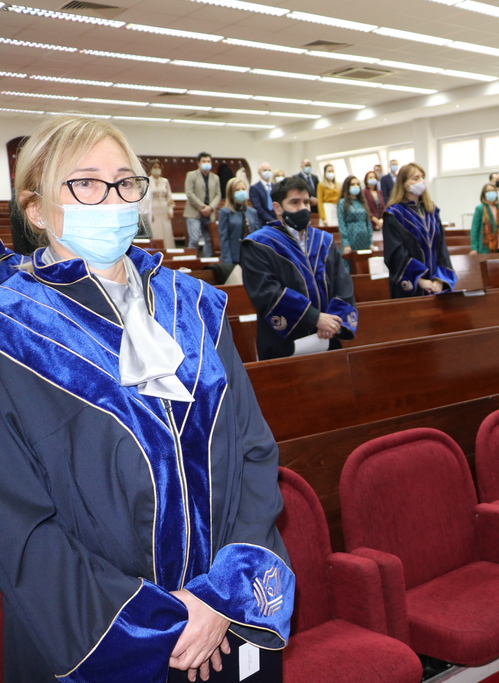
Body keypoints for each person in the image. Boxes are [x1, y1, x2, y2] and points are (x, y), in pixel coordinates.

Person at [0, 115, 293, 682]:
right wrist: (161, 623)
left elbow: (254, 452)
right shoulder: (11, 332)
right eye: (85, 183)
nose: (112, 199)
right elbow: (20, 528)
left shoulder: (196, 305)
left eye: (124, 182)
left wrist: (219, 597)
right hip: (109, 633)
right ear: (35, 209)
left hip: (226, 619)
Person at [241, 176, 357, 361]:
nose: (303, 208)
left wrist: (332, 322)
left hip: (327, 337)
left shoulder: (324, 240)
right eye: (295, 202)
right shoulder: (258, 244)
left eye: (306, 202)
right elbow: (267, 292)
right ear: (278, 208)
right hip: (285, 340)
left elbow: (343, 282)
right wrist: (314, 318)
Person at [383, 163, 456, 299]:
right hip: (411, 285)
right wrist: (420, 280)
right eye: (416, 178)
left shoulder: (432, 211)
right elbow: (396, 253)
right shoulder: (394, 214)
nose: (421, 182)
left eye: (422, 177)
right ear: (404, 184)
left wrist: (439, 280)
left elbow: (441, 248)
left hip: (435, 284)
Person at [183, 151, 220, 257]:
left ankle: (207, 262)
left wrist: (210, 207)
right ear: (198, 163)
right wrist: (202, 207)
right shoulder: (191, 175)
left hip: (209, 214)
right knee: (194, 239)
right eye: (204, 161)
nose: (206, 163)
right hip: (194, 213)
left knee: (209, 240)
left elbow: (218, 194)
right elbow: (189, 193)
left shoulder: (215, 177)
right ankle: (191, 261)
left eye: (208, 161)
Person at [217, 177, 258, 266]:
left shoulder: (252, 212)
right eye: (237, 190)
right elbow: (224, 239)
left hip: (252, 257)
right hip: (234, 258)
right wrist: (227, 261)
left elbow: (257, 236)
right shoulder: (225, 212)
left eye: (243, 189)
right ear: (230, 193)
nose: (241, 192)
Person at [338, 174, 373, 260]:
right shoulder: (342, 202)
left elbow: (368, 223)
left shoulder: (362, 202)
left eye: (357, 184)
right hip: (351, 237)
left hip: (364, 238)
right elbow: (342, 224)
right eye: (352, 184)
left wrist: (371, 242)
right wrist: (346, 244)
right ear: (347, 187)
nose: (355, 186)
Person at [470, 182, 499, 254]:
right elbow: (475, 229)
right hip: (486, 246)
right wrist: (474, 248)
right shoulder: (480, 208)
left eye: (493, 190)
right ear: (484, 194)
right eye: (488, 190)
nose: (491, 192)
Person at [145, 159, 175, 246]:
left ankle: (168, 249)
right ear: (151, 168)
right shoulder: (147, 181)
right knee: (156, 232)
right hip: (153, 210)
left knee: (167, 232)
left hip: (164, 210)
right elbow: (145, 199)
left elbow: (169, 197)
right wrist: (149, 213)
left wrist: (170, 210)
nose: (157, 169)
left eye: (159, 167)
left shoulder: (165, 181)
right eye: (155, 167)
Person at [250, 162, 277, 226]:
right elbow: (258, 208)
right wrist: (272, 220)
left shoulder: (275, 186)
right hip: (262, 222)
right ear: (259, 172)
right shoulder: (254, 188)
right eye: (265, 170)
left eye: (269, 170)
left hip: (277, 220)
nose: (267, 172)